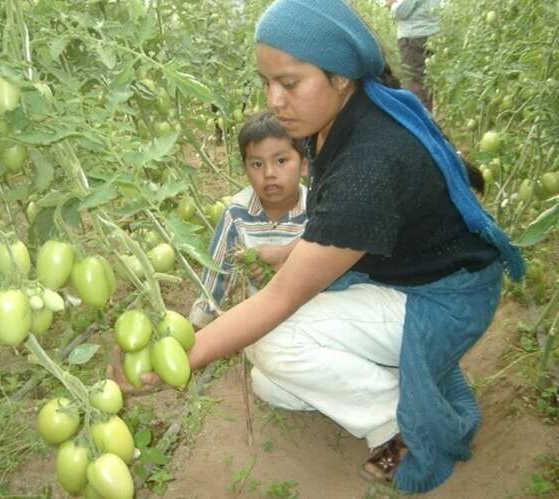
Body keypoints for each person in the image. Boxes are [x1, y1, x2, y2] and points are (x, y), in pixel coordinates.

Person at [108, 0, 524, 493]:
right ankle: (411, 377)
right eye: (267, 82)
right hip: (402, 275)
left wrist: (178, 357)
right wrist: (292, 255)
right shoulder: (337, 120)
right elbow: (335, 234)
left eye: (289, 83)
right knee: (271, 383)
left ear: (341, 77)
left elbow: (282, 299)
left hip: (442, 299)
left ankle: (409, 422)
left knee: (274, 340)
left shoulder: (372, 162)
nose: (275, 101)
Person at [188, 111, 308, 329]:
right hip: (260, 324)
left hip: (313, 316)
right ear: (245, 169)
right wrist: (195, 327)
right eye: (256, 164)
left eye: (281, 161)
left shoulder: (318, 210)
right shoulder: (236, 214)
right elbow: (216, 276)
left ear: (305, 164)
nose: (269, 173)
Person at [387, 0, 440, 110]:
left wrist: (394, 5)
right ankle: (427, 121)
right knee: (427, 83)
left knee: (415, 85)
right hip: (432, 34)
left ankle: (419, 123)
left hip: (414, 36)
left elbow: (401, 11)